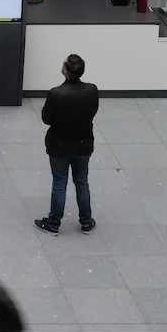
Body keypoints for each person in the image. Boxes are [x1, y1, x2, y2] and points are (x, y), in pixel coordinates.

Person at [36, 54, 99, 235]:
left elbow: (47, 119)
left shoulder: (56, 93)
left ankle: (53, 223)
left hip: (59, 145)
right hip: (83, 144)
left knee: (59, 183)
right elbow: (93, 111)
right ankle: (86, 222)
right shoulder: (92, 90)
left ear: (65, 71)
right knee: (82, 182)